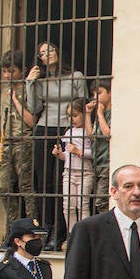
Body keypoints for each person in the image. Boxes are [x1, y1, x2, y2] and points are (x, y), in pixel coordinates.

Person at [26, 42, 89, 250]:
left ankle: (61, 233)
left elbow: (83, 104)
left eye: (50, 50)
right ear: (40, 59)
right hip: (44, 128)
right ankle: (46, 230)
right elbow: (34, 108)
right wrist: (30, 83)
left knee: (62, 183)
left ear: (58, 52)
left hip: (68, 130)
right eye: (42, 53)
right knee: (44, 183)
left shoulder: (76, 76)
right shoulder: (41, 81)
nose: (47, 55)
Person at [0, 51, 37, 239]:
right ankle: (11, 231)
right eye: (4, 71)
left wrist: (15, 99)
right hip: (4, 143)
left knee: (27, 188)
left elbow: (31, 121)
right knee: (5, 188)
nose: (7, 75)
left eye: (11, 71)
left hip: (22, 141)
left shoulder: (29, 89)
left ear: (22, 70)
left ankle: (33, 229)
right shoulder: (1, 91)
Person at [52, 97, 94, 234]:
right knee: (68, 206)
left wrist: (78, 151)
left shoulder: (89, 132)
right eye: (69, 116)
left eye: (75, 115)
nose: (72, 119)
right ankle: (72, 234)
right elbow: (67, 156)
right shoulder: (69, 132)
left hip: (85, 172)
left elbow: (94, 153)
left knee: (83, 205)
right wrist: (60, 154)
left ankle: (84, 234)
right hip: (69, 172)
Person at [89, 81, 112, 214]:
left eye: (99, 93)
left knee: (102, 201)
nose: (95, 97)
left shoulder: (107, 113)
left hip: (106, 161)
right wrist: (88, 114)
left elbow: (107, 134)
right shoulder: (100, 112)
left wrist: (100, 114)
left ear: (110, 93)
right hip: (97, 162)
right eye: (93, 94)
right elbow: (91, 135)